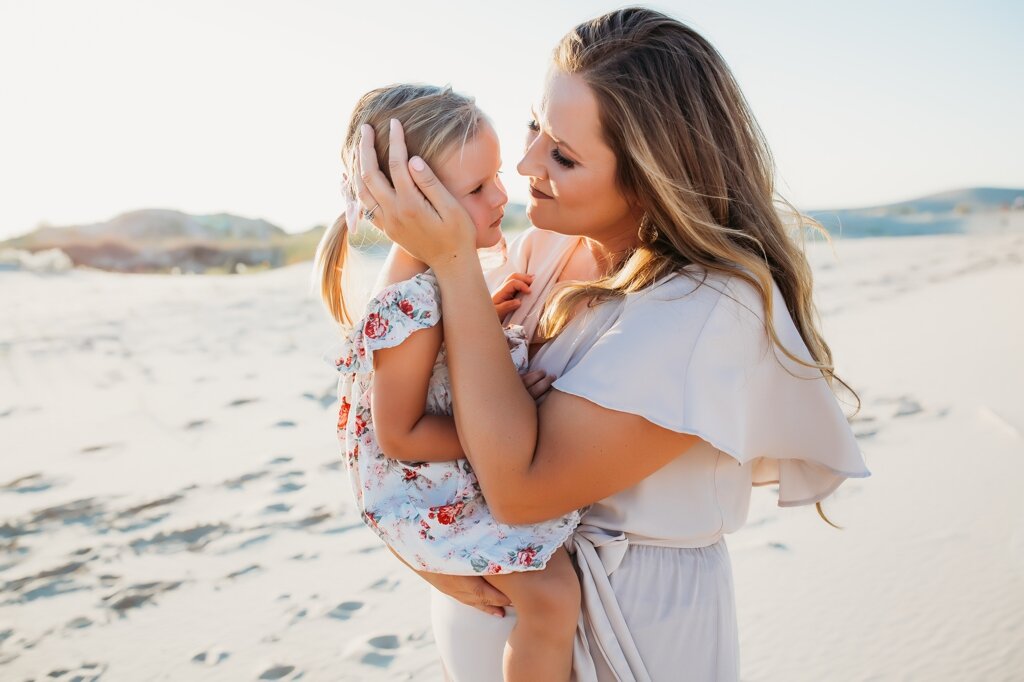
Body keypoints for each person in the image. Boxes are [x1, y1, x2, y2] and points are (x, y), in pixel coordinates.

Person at [353, 8, 871, 681]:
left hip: (633, 625)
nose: (527, 161)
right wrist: (422, 551)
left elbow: (521, 491)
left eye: (563, 155)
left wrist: (452, 264)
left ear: (655, 175)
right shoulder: (544, 247)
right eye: (536, 124)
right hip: (495, 590)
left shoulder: (708, 309)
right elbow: (385, 410)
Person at [316, 84, 582, 681]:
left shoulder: (423, 281)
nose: (501, 195)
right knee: (551, 599)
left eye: (495, 177)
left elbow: (435, 356)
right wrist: (512, 428)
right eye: (477, 188)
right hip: (433, 496)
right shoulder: (407, 303)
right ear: (415, 202)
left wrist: (481, 314)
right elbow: (403, 433)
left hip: (442, 484)